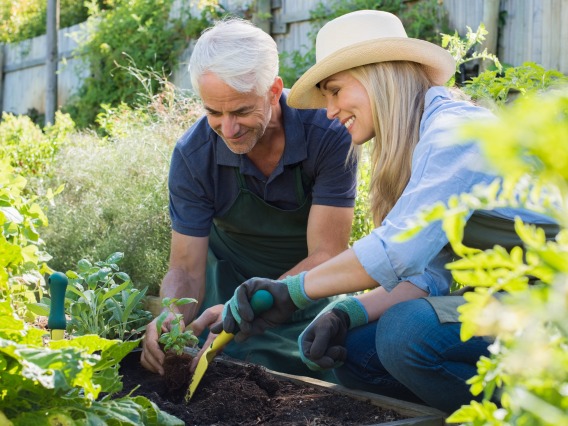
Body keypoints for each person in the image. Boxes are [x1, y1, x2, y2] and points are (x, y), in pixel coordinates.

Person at [215, 10, 559, 413]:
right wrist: (347, 312)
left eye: (336, 90)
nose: (329, 110)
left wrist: (293, 291)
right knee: (353, 349)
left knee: (406, 332)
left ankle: (534, 415)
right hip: (511, 307)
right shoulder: (419, 144)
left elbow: (397, 249)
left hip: (554, 308)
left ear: (378, 75)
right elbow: (432, 275)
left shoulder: (455, 134)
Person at [139, 17, 357, 379]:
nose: (228, 128)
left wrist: (257, 305)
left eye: (241, 110)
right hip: (223, 295)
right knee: (224, 376)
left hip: (307, 292)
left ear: (273, 91)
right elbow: (186, 269)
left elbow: (327, 253)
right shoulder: (194, 156)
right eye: (213, 112)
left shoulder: (327, 134)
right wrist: (171, 315)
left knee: (327, 377)